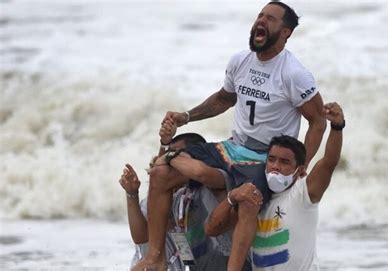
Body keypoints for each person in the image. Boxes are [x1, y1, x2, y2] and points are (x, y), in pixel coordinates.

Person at [134, 1, 327, 270]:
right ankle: (155, 257)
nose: (261, 21)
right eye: (260, 15)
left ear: (285, 33)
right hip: (231, 148)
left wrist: (301, 164)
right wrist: (187, 116)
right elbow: (224, 99)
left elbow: (318, 121)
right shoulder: (240, 61)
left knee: (248, 200)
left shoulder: (295, 74)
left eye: (270, 19)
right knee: (160, 172)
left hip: (263, 158)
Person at [206, 102, 345, 270]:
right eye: (271, 160)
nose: (275, 166)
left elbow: (329, 162)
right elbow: (212, 229)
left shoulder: (303, 193)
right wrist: (232, 197)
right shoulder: (252, 197)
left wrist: (337, 127)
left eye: (284, 162)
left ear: (299, 170)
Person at [120, 130, 250, 270]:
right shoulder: (178, 198)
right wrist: (132, 194)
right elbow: (142, 236)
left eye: (178, 155)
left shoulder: (215, 180)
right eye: (171, 157)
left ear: (195, 156)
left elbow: (200, 173)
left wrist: (168, 154)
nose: (172, 162)